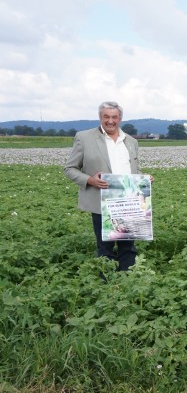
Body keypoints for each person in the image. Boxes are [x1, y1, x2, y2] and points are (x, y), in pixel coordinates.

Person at [64, 101, 145, 271]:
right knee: (105, 248)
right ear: (100, 117)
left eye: (114, 117)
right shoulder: (84, 138)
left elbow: (134, 170)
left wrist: (144, 179)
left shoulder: (130, 141)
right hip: (101, 202)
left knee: (128, 247)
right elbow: (70, 168)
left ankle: (126, 281)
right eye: (106, 117)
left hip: (127, 202)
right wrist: (90, 180)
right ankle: (107, 285)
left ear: (120, 118)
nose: (110, 121)